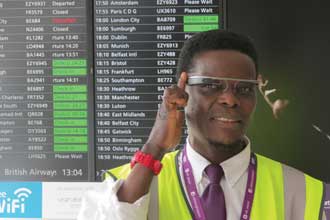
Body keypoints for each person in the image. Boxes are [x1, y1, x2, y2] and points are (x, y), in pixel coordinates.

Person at [77, 30, 330, 220]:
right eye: (211, 85)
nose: (230, 99)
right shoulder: (121, 186)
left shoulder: (306, 192)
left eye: (243, 89)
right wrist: (154, 147)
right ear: (181, 90)